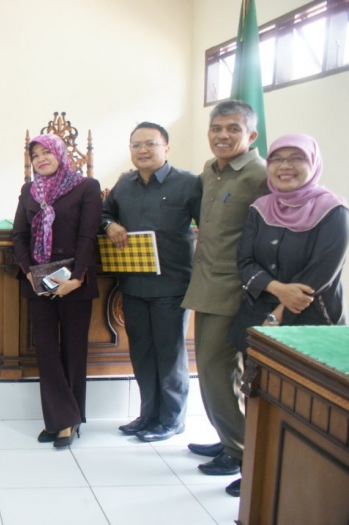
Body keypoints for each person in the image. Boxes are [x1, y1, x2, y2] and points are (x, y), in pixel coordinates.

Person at [226, 133, 348, 496]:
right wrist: (277, 290)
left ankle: (295, 476)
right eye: (278, 159)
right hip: (257, 314)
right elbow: (244, 261)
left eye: (296, 159)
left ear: (313, 164)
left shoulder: (333, 211)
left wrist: (278, 312)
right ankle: (255, 471)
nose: (285, 167)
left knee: (303, 405)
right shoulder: (260, 208)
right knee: (258, 397)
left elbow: (320, 276)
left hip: (309, 322)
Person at [181, 100, 269, 495]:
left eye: (233, 129)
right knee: (217, 373)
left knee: (219, 374)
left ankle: (242, 453)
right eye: (216, 128)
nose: (222, 135)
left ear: (250, 135)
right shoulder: (210, 170)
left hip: (235, 290)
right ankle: (227, 438)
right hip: (206, 283)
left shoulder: (259, 174)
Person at [103, 122, 201, 442]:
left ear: (166, 149)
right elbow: (104, 213)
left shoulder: (188, 184)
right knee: (142, 353)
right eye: (136, 146)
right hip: (132, 284)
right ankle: (148, 415)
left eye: (150, 144)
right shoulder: (124, 185)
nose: (142, 151)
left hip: (171, 285)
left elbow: (211, 228)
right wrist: (108, 226)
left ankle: (171, 420)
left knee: (169, 354)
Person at [12, 133, 102, 449]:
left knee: (73, 350)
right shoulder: (29, 191)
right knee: (47, 350)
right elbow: (19, 235)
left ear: (60, 154)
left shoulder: (86, 187)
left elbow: (87, 236)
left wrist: (76, 277)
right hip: (41, 279)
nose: (40, 159)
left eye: (45, 153)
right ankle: (59, 418)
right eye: (34, 155)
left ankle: (70, 419)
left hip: (75, 279)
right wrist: (29, 271)